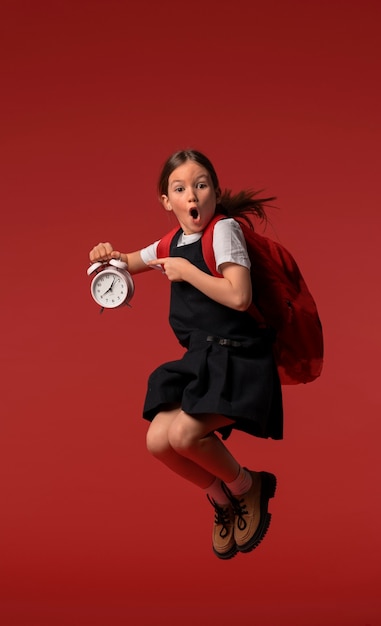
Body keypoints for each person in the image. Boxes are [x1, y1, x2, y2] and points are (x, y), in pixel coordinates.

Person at [89, 149, 283, 559]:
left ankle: (248, 486)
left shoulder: (224, 230)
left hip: (240, 360)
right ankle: (223, 499)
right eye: (180, 189)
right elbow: (127, 261)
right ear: (167, 201)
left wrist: (188, 271)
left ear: (213, 190)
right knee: (158, 441)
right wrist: (107, 255)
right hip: (204, 361)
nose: (192, 196)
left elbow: (240, 295)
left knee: (183, 434)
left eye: (201, 185)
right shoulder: (172, 242)